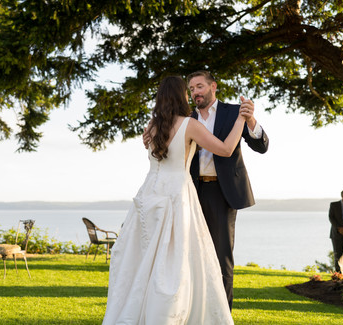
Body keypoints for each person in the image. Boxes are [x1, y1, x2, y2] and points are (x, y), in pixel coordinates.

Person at [102, 75, 250, 324]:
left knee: (146, 257)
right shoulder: (190, 125)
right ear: (181, 96)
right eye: (187, 91)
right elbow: (225, 149)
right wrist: (241, 119)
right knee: (176, 258)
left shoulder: (152, 126)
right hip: (177, 193)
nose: (191, 95)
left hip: (149, 193)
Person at [143, 70, 269, 310]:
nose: (195, 93)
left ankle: (222, 314)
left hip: (222, 193)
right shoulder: (184, 118)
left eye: (199, 86)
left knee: (221, 259)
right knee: (188, 256)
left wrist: (250, 121)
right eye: (191, 89)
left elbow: (261, 146)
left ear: (213, 86)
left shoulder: (235, 112)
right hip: (188, 192)